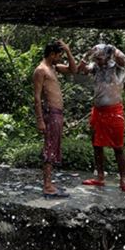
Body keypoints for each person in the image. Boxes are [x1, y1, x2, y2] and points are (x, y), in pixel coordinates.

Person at [77, 44, 125, 193]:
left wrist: (111, 48)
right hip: (98, 111)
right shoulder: (96, 67)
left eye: (100, 57)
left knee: (118, 147)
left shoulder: (117, 67)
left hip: (114, 111)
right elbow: (80, 70)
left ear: (108, 56)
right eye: (95, 57)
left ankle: (123, 180)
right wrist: (87, 53)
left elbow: (122, 57)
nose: (97, 59)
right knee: (97, 145)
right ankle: (100, 177)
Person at [33, 40, 77, 198]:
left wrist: (68, 51)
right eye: (59, 55)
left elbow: (73, 70)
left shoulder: (54, 68)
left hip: (57, 113)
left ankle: (49, 183)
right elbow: (37, 98)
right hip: (49, 113)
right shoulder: (41, 70)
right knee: (49, 147)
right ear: (52, 55)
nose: (60, 58)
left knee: (54, 146)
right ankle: (47, 185)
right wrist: (40, 120)